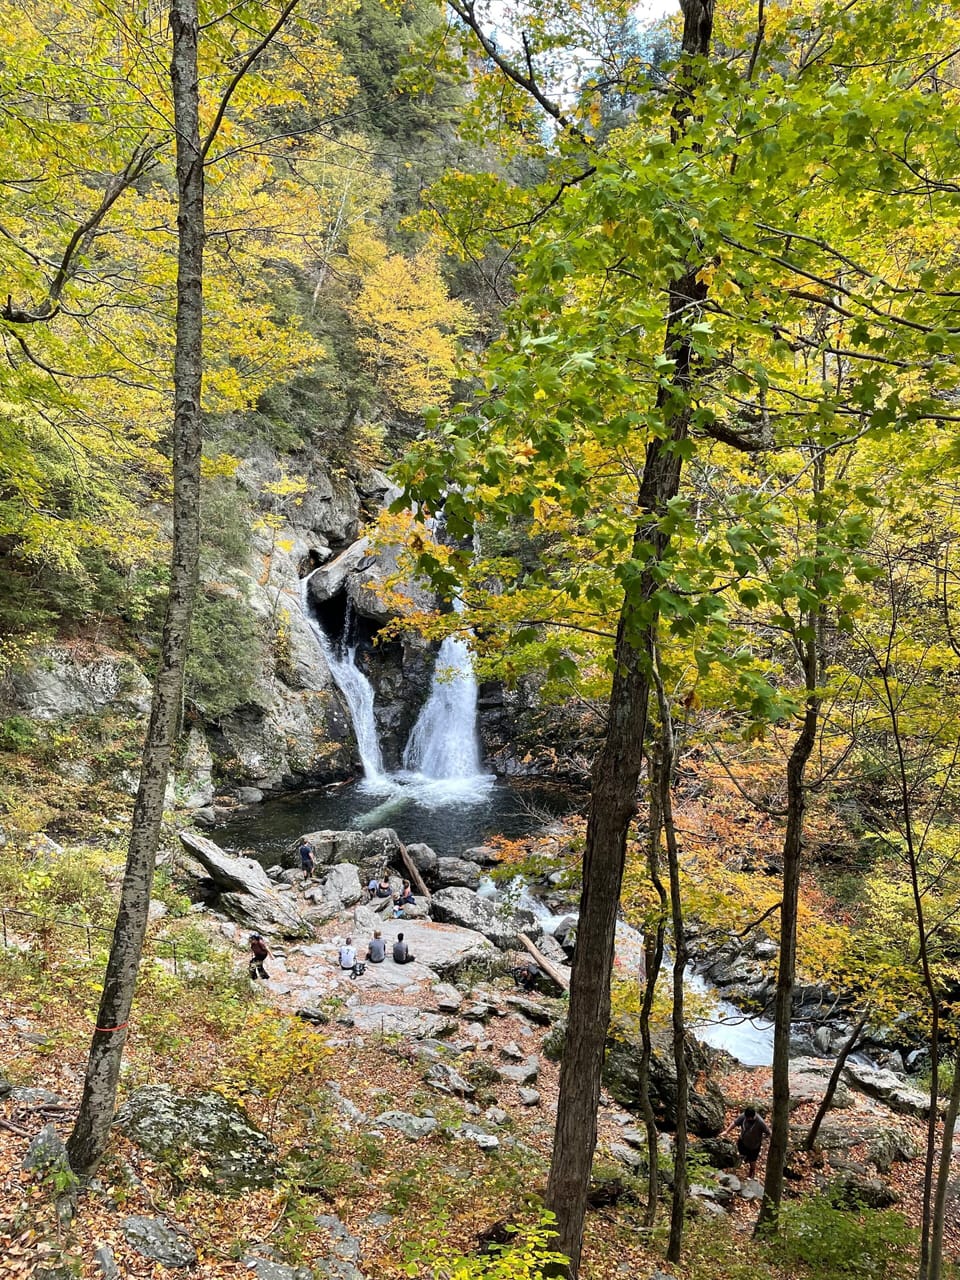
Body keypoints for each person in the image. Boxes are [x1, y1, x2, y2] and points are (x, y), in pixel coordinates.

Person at [723, 1105, 771, 1179]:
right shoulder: (744, 1116)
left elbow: (769, 1133)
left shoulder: (760, 1122)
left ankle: (751, 1173)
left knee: (752, 1161)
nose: (746, 1119)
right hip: (743, 1141)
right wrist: (726, 1131)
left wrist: (763, 1138)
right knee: (741, 1154)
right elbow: (735, 1123)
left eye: (748, 1118)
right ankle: (742, 1160)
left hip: (754, 1146)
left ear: (752, 1117)